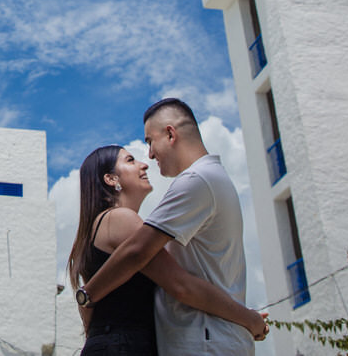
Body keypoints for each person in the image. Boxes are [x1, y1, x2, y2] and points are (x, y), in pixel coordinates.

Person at [76, 98, 268, 355]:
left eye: (148, 142)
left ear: (170, 134)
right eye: (132, 159)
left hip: (204, 339)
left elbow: (151, 262)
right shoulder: (123, 218)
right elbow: (172, 279)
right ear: (111, 179)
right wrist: (248, 318)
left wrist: (87, 297)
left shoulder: (197, 179)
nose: (149, 157)